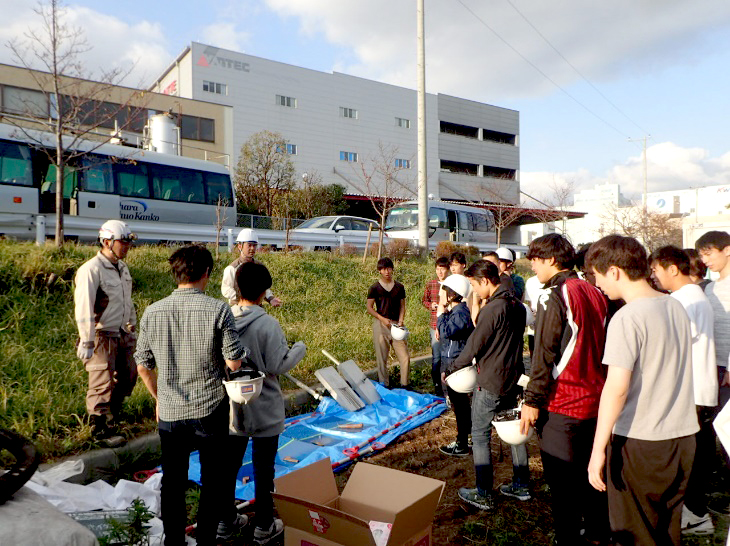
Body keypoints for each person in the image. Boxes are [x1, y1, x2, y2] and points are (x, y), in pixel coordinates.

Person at [586, 235, 698, 546]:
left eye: (597, 275)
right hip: (683, 439)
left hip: (641, 443)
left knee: (634, 533)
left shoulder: (627, 317)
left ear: (614, 271)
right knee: (667, 529)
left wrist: (598, 450)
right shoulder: (674, 305)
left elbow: (616, 389)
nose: (598, 285)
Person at [135, 245, 247, 546]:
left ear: (176, 273)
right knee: (213, 480)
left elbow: (142, 365)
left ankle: (174, 540)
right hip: (209, 409)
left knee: (172, 482)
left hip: (170, 413)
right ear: (207, 274)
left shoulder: (152, 311)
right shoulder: (218, 309)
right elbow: (234, 362)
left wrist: (159, 397)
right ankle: (206, 539)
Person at [519, 233, 610, 545]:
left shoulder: (552, 294)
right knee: (592, 475)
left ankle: (568, 538)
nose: (532, 265)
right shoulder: (594, 291)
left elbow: (544, 352)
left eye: (534, 259)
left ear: (550, 260)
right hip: (596, 401)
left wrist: (532, 400)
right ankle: (597, 533)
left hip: (563, 402)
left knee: (562, 484)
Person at [223, 261, 307, 544]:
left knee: (229, 465)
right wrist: (299, 349)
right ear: (263, 292)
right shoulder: (267, 323)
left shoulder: (225, 318)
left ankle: (225, 521)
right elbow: (277, 364)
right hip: (265, 405)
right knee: (263, 467)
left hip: (233, 405)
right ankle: (264, 525)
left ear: (237, 287)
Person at [649, 245, 718, 535]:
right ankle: (694, 512)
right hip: (699, 388)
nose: (653, 276)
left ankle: (695, 515)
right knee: (695, 455)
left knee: (687, 459)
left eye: (655, 270)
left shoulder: (681, 301)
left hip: (690, 391)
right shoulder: (694, 295)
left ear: (672, 269)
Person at [451, 260, 528, 510]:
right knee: (515, 431)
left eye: (473, 284)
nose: (473, 290)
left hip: (491, 381)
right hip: (513, 380)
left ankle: (483, 492)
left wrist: (451, 368)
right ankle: (521, 484)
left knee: (481, 435)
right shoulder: (518, 306)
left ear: (485, 281)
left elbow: (474, 346)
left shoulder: (493, 309)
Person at [74, 219, 138, 444]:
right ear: (108, 242)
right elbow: (83, 306)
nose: (127, 246)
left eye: (128, 242)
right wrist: (86, 340)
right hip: (101, 335)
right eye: (123, 242)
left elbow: (126, 300)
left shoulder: (122, 268)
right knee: (101, 382)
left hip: (122, 333)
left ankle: (114, 415)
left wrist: (132, 325)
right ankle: (99, 428)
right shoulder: (91, 269)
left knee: (129, 376)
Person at [437, 274, 475, 457]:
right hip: (453, 361)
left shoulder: (460, 312)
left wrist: (440, 314)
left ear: (453, 294)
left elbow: (447, 332)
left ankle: (462, 443)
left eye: (444, 291)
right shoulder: (456, 312)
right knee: (460, 405)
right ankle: (465, 438)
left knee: (460, 405)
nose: (441, 294)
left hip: (457, 363)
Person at [696, 231, 730, 413]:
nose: (704, 260)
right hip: (713, 364)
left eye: (708, 254)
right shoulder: (709, 287)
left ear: (727, 250)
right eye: (701, 256)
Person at [366, 257, 410, 387]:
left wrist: (401, 320)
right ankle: (384, 385)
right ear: (379, 271)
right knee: (382, 357)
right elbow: (369, 308)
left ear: (392, 269)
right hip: (381, 325)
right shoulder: (374, 287)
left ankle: (405, 385)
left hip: (397, 325)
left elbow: (402, 306)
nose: (387, 271)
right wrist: (381, 318)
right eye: (384, 269)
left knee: (405, 357)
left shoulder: (399, 287)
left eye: (389, 268)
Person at [222, 228, 282, 307]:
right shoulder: (232, 268)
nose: (252, 248)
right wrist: (243, 297)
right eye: (249, 245)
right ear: (240, 246)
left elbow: (263, 287)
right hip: (238, 309)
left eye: (254, 245)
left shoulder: (259, 267)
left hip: (257, 308)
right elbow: (226, 289)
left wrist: (271, 299)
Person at [423, 257, 450, 397]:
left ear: (448, 269)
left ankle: (449, 386)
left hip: (449, 326)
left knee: (449, 357)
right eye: (437, 269)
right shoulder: (431, 284)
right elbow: (424, 300)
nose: (440, 272)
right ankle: (437, 387)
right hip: (434, 325)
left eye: (442, 269)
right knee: (437, 357)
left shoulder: (452, 284)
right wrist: (431, 305)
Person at [523, 274, 545, 358]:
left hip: (548, 323)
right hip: (534, 325)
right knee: (534, 352)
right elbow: (529, 303)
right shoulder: (531, 281)